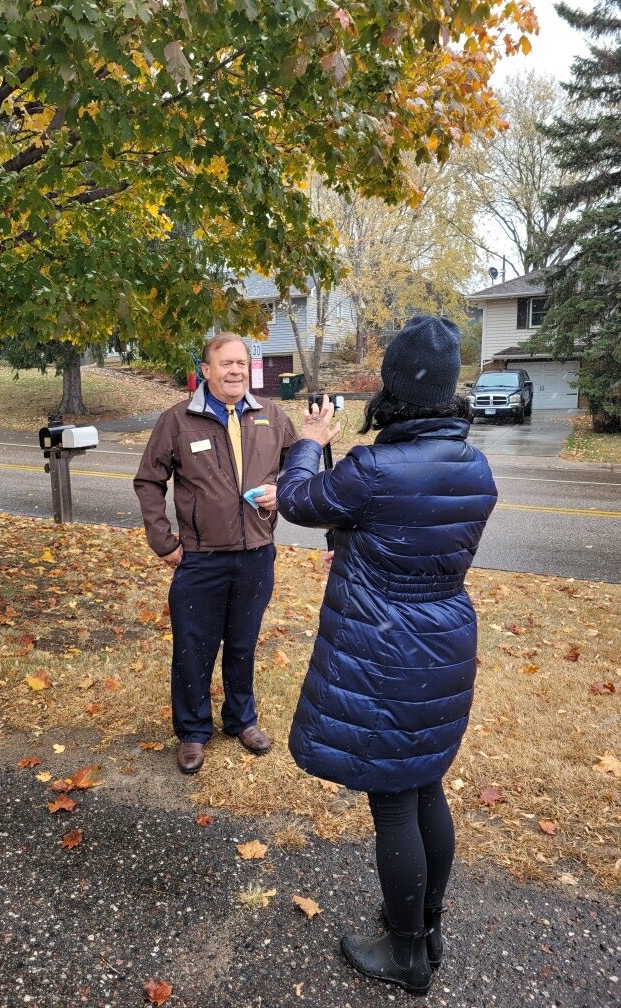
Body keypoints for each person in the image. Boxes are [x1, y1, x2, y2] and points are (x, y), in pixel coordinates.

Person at [276, 315, 498, 996]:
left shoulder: (374, 467)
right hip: (443, 643)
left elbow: (296, 500)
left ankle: (406, 956)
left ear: (394, 386)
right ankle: (425, 928)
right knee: (424, 785)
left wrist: (311, 442)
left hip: (384, 652)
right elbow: (396, 531)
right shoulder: (475, 464)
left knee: (394, 805)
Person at [134, 333, 297, 775]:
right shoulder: (177, 421)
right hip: (200, 558)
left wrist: (280, 492)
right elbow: (149, 481)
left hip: (256, 553)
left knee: (243, 643)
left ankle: (241, 720)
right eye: (225, 363)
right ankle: (192, 731)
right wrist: (164, 541)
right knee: (193, 646)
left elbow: (297, 470)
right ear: (205, 370)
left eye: (241, 363)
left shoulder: (272, 416)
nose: (235, 371)